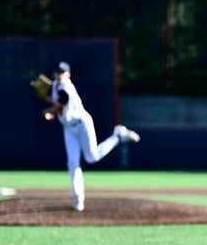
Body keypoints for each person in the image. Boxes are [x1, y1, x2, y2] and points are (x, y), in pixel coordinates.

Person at [44, 61, 141, 211]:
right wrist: (51, 107)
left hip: (82, 124)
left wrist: (49, 107)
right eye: (58, 72)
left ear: (68, 74)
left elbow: (63, 101)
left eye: (62, 72)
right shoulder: (56, 84)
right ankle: (78, 198)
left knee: (92, 157)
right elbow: (59, 104)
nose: (59, 74)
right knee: (72, 162)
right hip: (68, 128)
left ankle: (118, 136)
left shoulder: (66, 86)